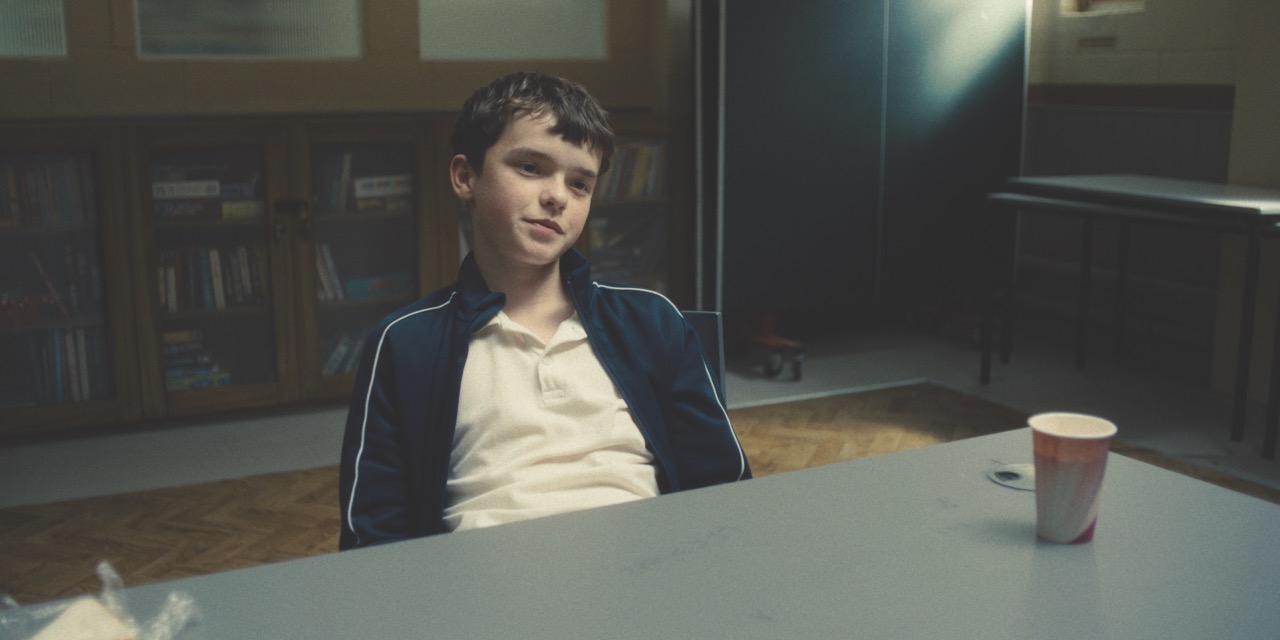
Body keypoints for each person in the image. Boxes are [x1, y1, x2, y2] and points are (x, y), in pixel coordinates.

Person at [338, 71, 750, 550]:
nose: (557, 196)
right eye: (531, 167)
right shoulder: (405, 343)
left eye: (579, 184)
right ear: (465, 177)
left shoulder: (650, 320)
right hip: (483, 590)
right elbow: (372, 533)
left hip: (646, 567)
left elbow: (724, 483)